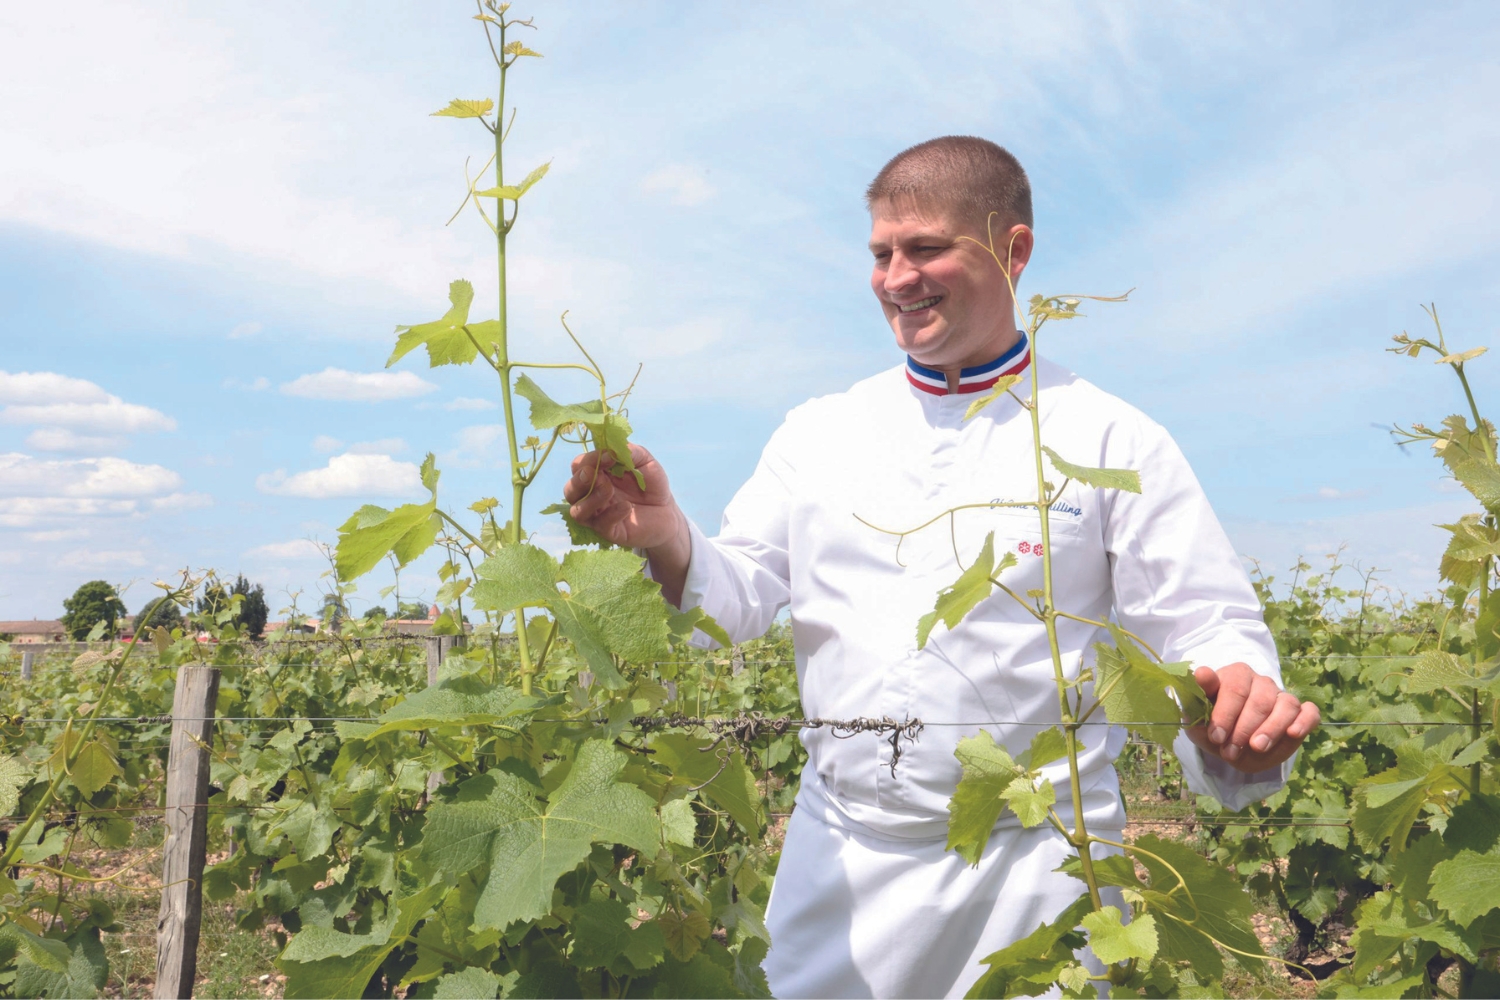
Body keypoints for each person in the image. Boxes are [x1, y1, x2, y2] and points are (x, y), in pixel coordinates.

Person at [563, 136, 1321, 999]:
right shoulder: (819, 433)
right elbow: (737, 595)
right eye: (882, 254)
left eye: (925, 248)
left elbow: (1206, 625)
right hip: (840, 865)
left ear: (1014, 250)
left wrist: (1244, 711)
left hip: (1041, 874)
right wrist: (668, 536)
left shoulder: (1111, 438)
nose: (896, 278)